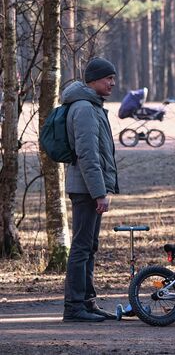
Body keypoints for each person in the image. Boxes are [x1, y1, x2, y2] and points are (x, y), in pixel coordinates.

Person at [62, 57, 119, 322]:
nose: (112, 83)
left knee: (89, 245)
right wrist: (99, 192)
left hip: (89, 187)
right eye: (108, 78)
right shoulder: (84, 108)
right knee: (82, 247)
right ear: (94, 79)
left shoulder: (92, 106)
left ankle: (87, 302)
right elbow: (87, 154)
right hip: (85, 188)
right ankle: (74, 307)